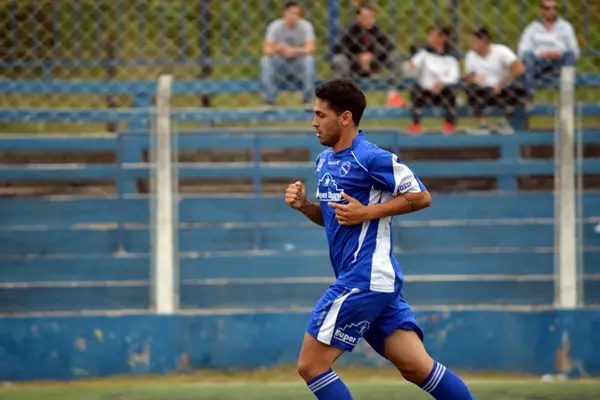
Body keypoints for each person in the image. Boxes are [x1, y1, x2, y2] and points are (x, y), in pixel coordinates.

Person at [284, 79, 474, 400]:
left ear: (345, 118)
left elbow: (421, 196)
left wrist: (368, 213)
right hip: (372, 280)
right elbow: (335, 219)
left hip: (364, 278)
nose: (314, 122)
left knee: (311, 366)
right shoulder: (324, 161)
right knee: (417, 367)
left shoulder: (370, 157)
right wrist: (305, 206)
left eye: (321, 115)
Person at [331, 4, 406, 107]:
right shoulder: (350, 27)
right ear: (358, 17)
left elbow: (389, 46)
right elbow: (337, 48)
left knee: (394, 56)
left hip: (371, 63)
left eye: (371, 17)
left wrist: (372, 56)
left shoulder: (374, 27)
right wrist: (357, 57)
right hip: (352, 64)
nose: (369, 20)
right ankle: (342, 96)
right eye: (366, 17)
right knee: (339, 60)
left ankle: (392, 95)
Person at [464, 28, 527, 134]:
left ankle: (504, 122)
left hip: (503, 89)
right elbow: (468, 77)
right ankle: (482, 123)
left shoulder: (501, 50)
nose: (471, 43)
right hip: (483, 91)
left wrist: (503, 81)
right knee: (470, 88)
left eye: (474, 41)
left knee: (520, 88)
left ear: (483, 42)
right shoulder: (470, 55)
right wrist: (473, 78)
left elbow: (519, 67)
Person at [518, 0, 580, 98]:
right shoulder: (532, 28)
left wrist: (559, 53)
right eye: (548, 8)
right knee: (527, 55)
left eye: (554, 8)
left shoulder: (565, 27)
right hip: (539, 63)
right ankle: (528, 95)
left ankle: (566, 95)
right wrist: (540, 54)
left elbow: (575, 50)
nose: (552, 11)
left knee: (570, 55)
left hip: (559, 63)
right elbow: (522, 51)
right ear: (541, 11)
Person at [407, 27, 460, 135]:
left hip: (442, 91)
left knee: (451, 92)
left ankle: (449, 124)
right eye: (430, 36)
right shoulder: (423, 54)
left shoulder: (450, 56)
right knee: (415, 90)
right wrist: (413, 67)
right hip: (425, 91)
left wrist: (442, 82)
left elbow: (454, 76)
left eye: (434, 36)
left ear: (442, 39)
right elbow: (413, 70)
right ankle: (416, 124)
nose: (430, 39)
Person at [261, 1, 315, 106]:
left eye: (297, 14)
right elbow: (266, 49)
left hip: (298, 63)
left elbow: (311, 48)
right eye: (292, 13)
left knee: (309, 60)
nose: (294, 17)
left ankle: (307, 99)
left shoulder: (305, 26)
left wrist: (296, 50)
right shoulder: (275, 26)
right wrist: (280, 49)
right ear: (284, 14)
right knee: (266, 60)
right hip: (281, 63)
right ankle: (269, 100)